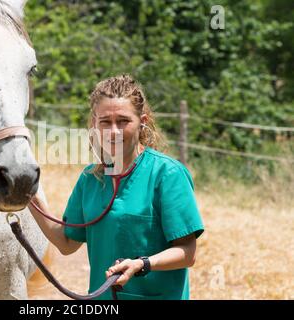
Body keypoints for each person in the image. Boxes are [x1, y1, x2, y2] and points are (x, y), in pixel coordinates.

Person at [28, 74, 204, 300]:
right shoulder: (90, 179)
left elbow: (187, 253)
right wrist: (29, 197)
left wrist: (142, 264)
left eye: (123, 121)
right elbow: (67, 242)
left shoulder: (167, 174)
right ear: (94, 124)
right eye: (105, 122)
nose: (113, 131)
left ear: (143, 121)